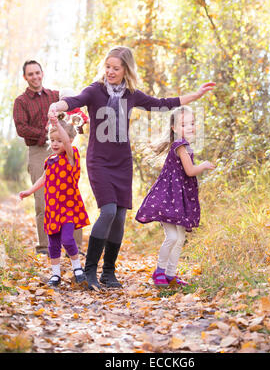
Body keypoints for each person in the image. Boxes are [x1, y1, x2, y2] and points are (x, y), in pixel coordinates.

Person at [48, 46, 216, 290]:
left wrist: (195, 96)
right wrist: (58, 106)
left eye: (116, 68)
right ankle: (90, 270)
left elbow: (162, 103)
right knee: (107, 212)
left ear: (126, 69)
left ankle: (109, 272)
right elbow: (75, 100)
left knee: (119, 218)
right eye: (108, 67)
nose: (111, 72)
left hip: (122, 163)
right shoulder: (95, 90)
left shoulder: (131, 94)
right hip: (99, 162)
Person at [136, 105, 215, 286]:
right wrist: (203, 165)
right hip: (169, 198)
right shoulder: (180, 145)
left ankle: (170, 274)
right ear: (174, 128)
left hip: (178, 197)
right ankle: (159, 272)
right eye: (184, 124)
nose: (189, 127)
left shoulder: (184, 145)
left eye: (192, 123)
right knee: (173, 237)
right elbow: (190, 171)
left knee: (180, 238)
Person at [19, 112, 90, 287]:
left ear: (70, 140)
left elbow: (66, 142)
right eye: (53, 140)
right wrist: (29, 191)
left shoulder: (71, 156)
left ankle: (77, 268)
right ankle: (56, 274)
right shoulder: (50, 160)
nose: (56, 143)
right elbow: (43, 178)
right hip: (53, 208)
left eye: (60, 140)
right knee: (53, 244)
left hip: (68, 207)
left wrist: (56, 124)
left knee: (67, 239)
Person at [13, 60, 59, 254]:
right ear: (25, 77)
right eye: (30, 74)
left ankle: (73, 246)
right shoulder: (21, 101)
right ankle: (44, 246)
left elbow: (72, 112)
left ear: (42, 73)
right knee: (42, 200)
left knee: (67, 196)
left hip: (60, 150)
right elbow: (21, 128)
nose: (35, 77)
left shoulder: (56, 96)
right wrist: (45, 134)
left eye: (37, 73)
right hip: (38, 151)